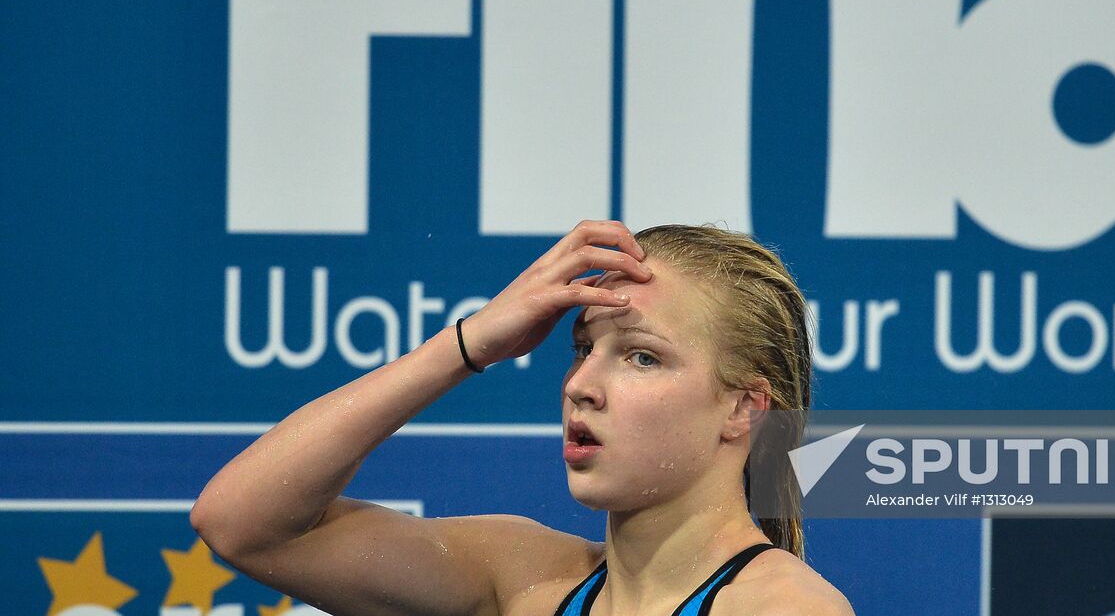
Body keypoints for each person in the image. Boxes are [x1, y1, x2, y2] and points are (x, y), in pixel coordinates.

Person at [191, 219, 855, 616]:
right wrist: (469, 342)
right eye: (582, 349)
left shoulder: (782, 608)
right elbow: (242, 524)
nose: (582, 385)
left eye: (642, 358)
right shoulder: (523, 583)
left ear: (743, 407)